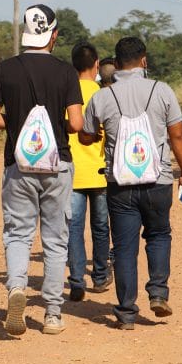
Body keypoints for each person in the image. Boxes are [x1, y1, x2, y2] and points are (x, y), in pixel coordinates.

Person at [0, 4, 83, 335]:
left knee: (18, 233)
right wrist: (53, 125)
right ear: (52, 35)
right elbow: (76, 123)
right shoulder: (66, 72)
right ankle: (52, 314)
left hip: (18, 164)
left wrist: (19, 127)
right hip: (58, 165)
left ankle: (15, 289)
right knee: (55, 239)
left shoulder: (5, 69)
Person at [80, 36, 182, 330]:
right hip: (158, 182)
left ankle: (127, 313)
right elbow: (178, 136)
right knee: (158, 235)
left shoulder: (102, 96)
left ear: (116, 65)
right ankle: (157, 293)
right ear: (144, 61)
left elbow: (86, 135)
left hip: (120, 185)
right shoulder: (163, 91)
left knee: (125, 246)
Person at [66, 42, 112, 302]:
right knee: (100, 227)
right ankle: (100, 276)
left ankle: (76, 281)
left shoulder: (66, 92)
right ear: (96, 64)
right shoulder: (103, 93)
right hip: (100, 171)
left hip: (73, 172)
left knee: (73, 228)